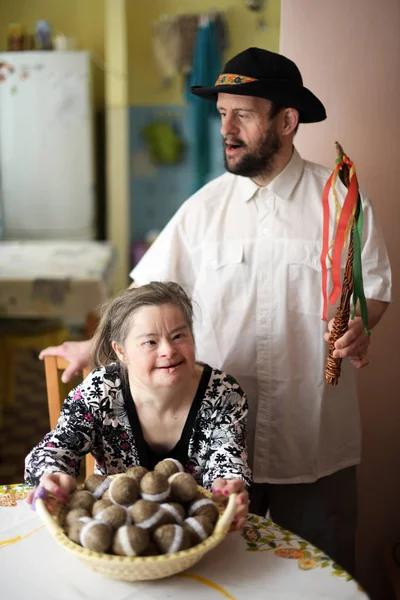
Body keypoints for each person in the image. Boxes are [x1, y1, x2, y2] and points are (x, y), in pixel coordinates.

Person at [39, 48, 391, 573]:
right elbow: (144, 303)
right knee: (224, 576)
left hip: (314, 439)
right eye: (222, 112)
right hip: (219, 450)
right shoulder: (203, 209)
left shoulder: (342, 201)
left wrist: (364, 325)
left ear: (287, 121)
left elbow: (374, 288)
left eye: (243, 114)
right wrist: (90, 345)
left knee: (322, 573)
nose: (225, 127)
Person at [26, 282, 251, 530]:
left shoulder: (223, 393)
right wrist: (53, 477)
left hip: (192, 530)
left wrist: (228, 487)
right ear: (121, 351)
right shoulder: (100, 391)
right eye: (150, 342)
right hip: (115, 529)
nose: (168, 350)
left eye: (179, 336)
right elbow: (53, 451)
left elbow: (228, 463)